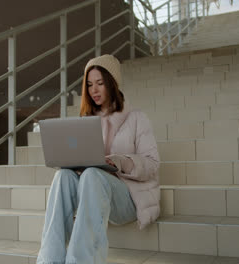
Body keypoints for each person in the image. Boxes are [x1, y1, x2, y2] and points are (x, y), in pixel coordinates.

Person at [36, 54, 160, 264]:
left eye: (100, 83)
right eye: (90, 84)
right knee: (63, 176)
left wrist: (119, 162)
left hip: (127, 198)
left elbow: (152, 165)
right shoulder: (86, 122)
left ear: (112, 83)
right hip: (93, 192)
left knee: (94, 174)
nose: (94, 90)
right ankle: (49, 260)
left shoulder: (137, 118)